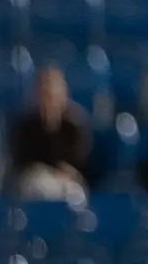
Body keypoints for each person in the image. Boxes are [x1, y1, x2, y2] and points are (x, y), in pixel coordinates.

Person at [8, 67, 90, 202]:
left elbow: (77, 161)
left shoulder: (74, 125)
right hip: (35, 176)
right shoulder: (26, 125)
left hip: (65, 178)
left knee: (76, 195)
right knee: (39, 188)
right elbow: (23, 161)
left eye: (54, 93)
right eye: (45, 93)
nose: (50, 98)